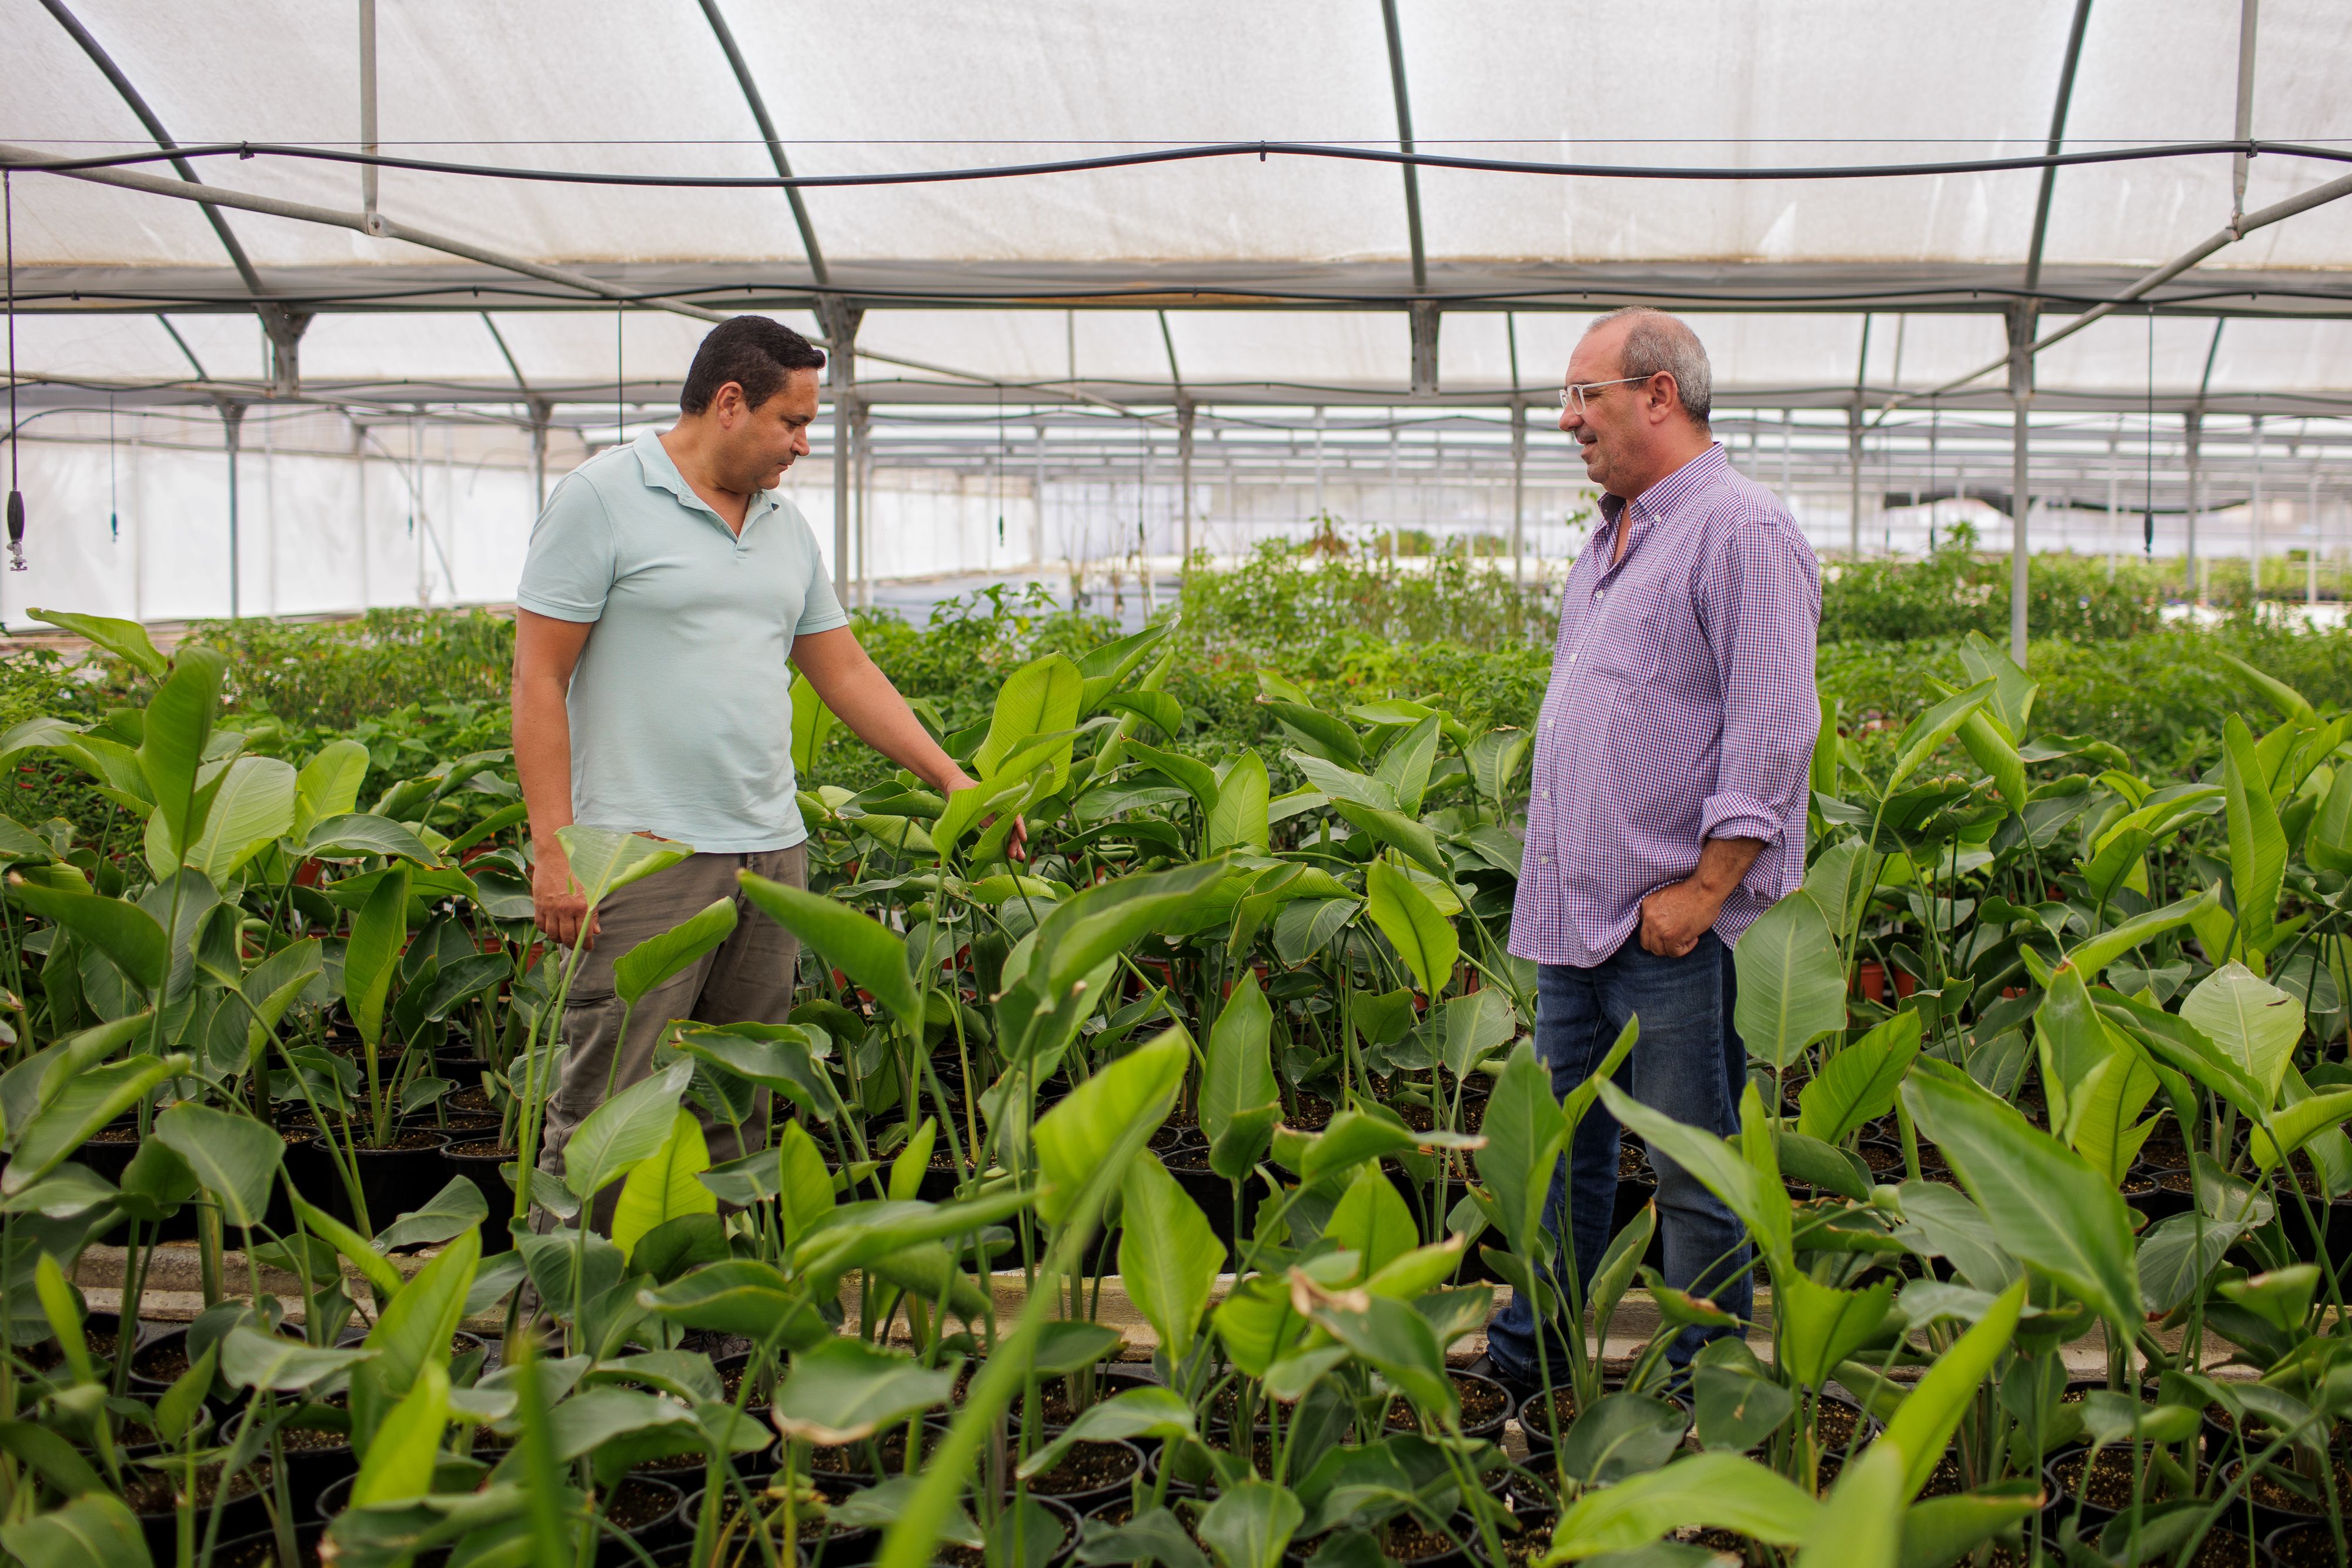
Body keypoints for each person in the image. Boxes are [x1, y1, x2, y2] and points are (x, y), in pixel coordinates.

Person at [511, 315, 1009, 1223]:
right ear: (730, 404)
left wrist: (953, 778)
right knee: (607, 1111)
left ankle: (717, 1324)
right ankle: (562, 1333)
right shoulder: (601, 498)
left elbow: (844, 668)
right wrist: (556, 850)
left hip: (770, 853)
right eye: (792, 422)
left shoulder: (785, 527)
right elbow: (539, 677)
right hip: (641, 855)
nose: (803, 445)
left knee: (743, 1106)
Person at [1478, 307, 1820, 1391]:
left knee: (1691, 1168)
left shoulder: (1741, 527)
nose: (1569, 419)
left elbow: (1774, 723)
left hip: (1670, 927)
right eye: (1568, 401)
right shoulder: (1613, 534)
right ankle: (1528, 1369)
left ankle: (1702, 1392)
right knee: (1558, 1160)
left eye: (1587, 396)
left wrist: (1707, 890)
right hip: (1572, 917)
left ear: (1659, 394)